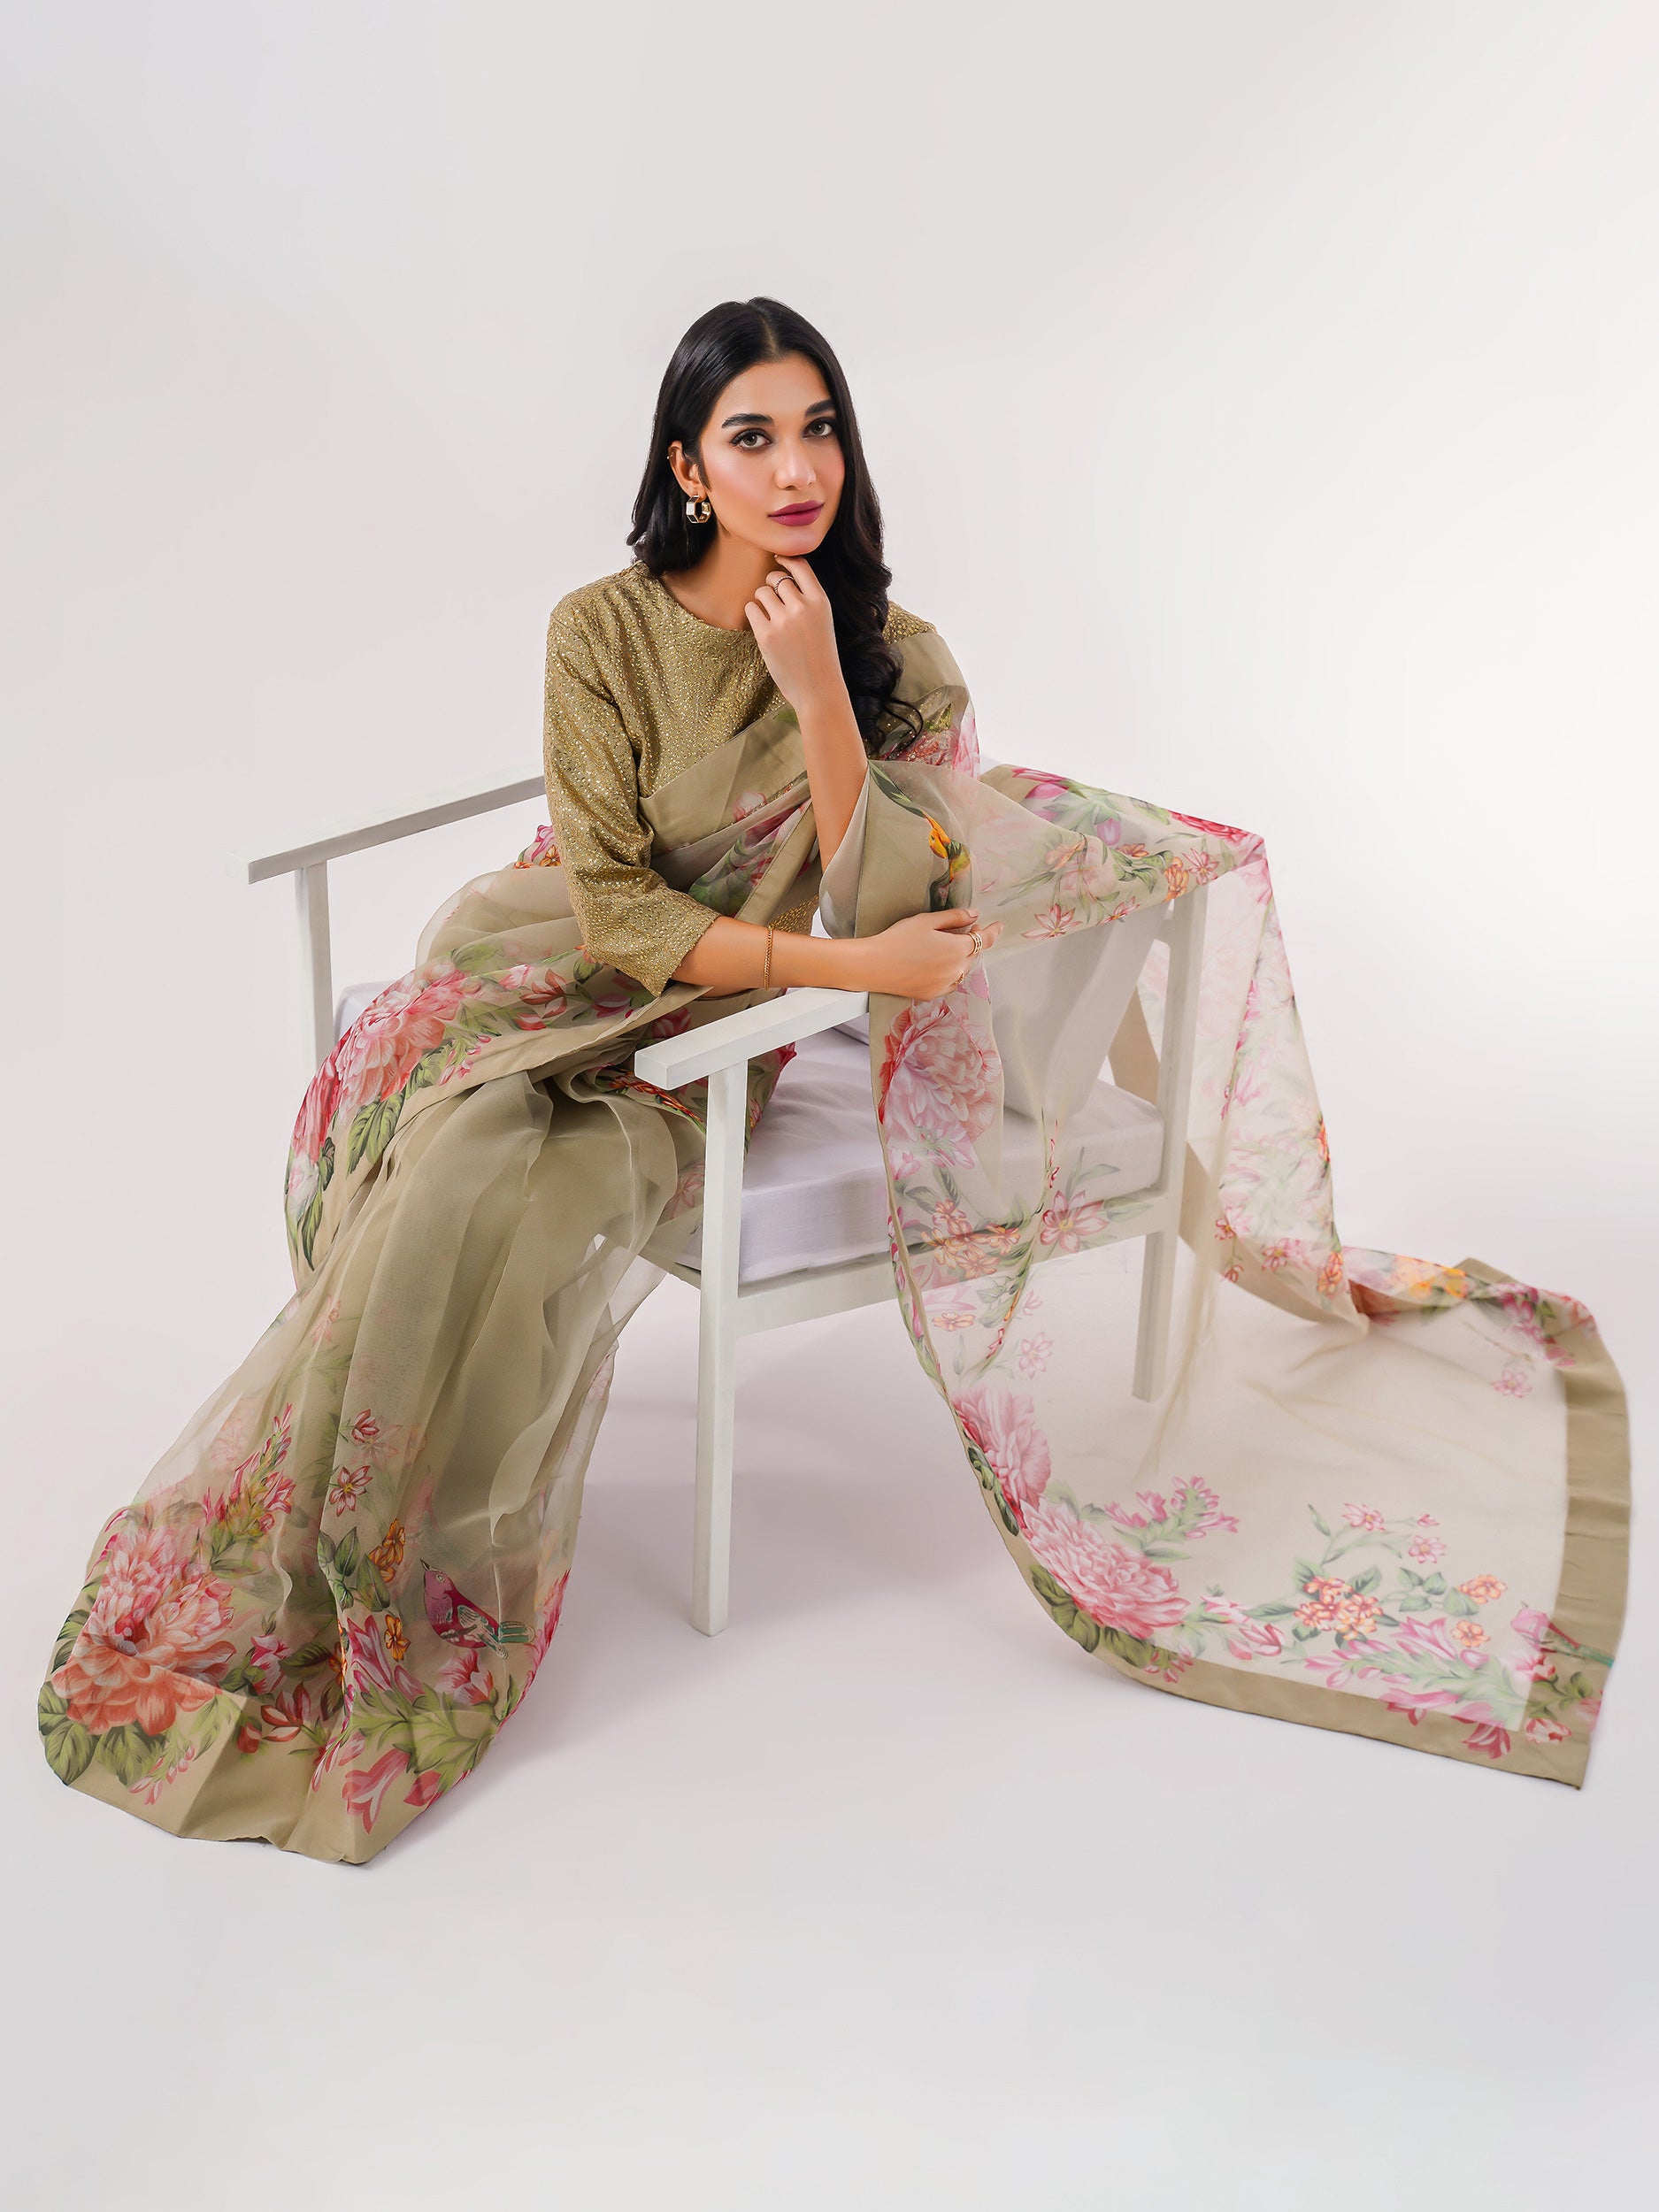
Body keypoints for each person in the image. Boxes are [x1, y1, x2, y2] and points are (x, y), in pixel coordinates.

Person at [39, 298, 1630, 1865]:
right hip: (551, 972)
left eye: (820, 430)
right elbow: (621, 908)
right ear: (687, 466)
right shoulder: (600, 631)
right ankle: (320, 1552)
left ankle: (417, 1576)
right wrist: (851, 965)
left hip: (709, 1040)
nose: (796, 467)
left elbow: (897, 905)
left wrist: (818, 701)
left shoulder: (898, 659)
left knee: (501, 1186)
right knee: (456, 1158)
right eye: (752, 436)